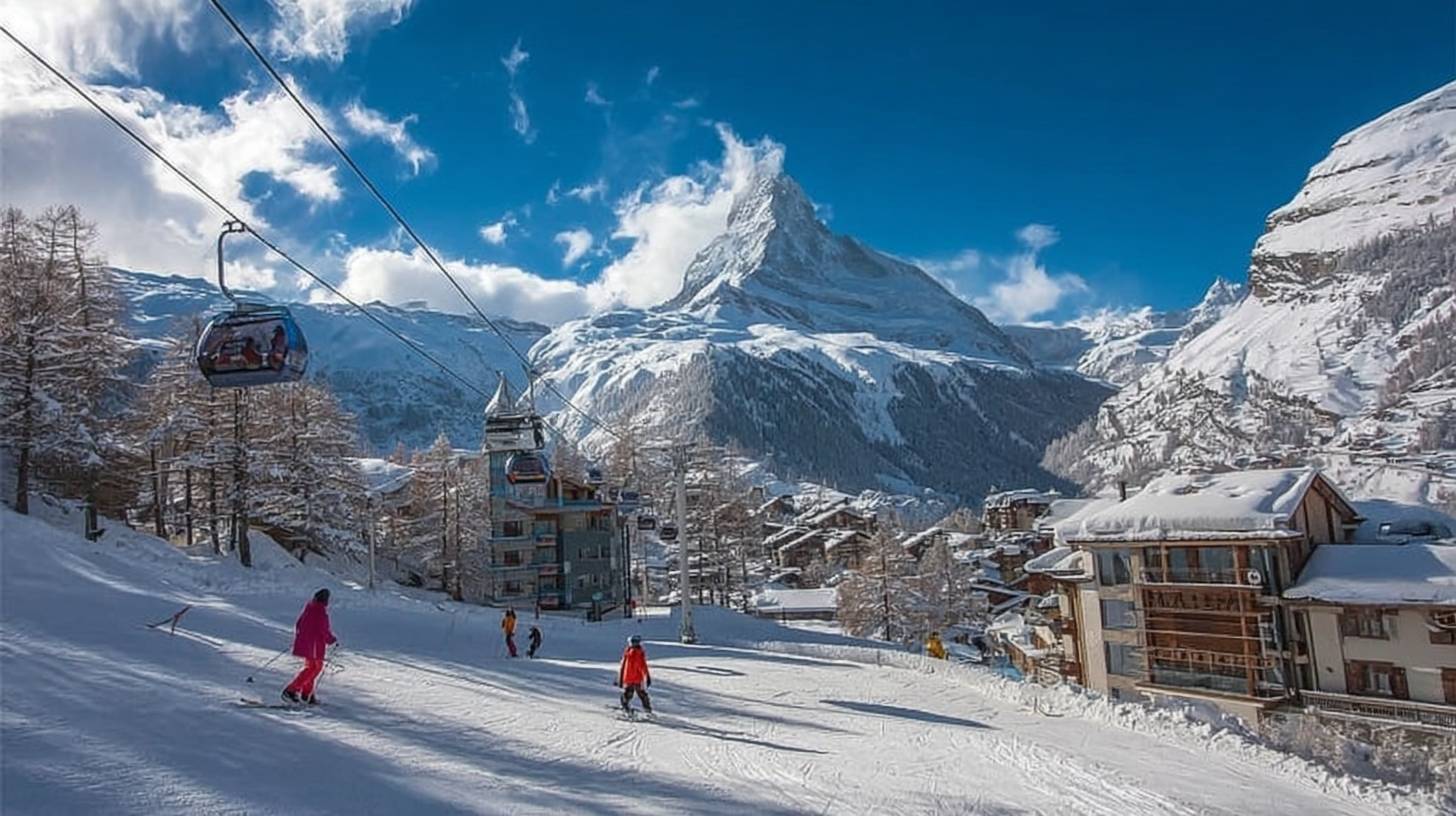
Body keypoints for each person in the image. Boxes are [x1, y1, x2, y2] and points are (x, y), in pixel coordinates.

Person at [283, 588, 337, 705]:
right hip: (314, 645)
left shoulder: (309, 608)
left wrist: (302, 637)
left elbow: (299, 624)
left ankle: (307, 694)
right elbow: (323, 630)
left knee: (313, 667)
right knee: (314, 668)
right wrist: (332, 640)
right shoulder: (320, 611)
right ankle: (291, 691)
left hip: (309, 643)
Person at [615, 634, 652, 714]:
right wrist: (620, 679)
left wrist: (647, 676)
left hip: (637, 678)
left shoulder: (639, 653)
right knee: (628, 694)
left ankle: (647, 710)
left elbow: (643, 665)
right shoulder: (628, 652)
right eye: (632, 642)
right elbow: (623, 666)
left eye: (635, 642)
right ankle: (625, 708)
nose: (633, 644)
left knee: (642, 694)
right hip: (629, 678)